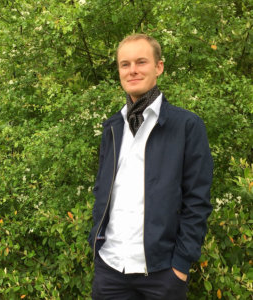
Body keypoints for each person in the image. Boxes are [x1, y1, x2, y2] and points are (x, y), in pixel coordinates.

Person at [88, 34, 213, 300]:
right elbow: (103, 187)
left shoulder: (187, 126)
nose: (132, 70)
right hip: (110, 269)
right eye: (125, 64)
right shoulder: (113, 127)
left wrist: (180, 264)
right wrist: (96, 246)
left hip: (162, 274)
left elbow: (197, 200)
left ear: (159, 67)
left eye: (141, 62)